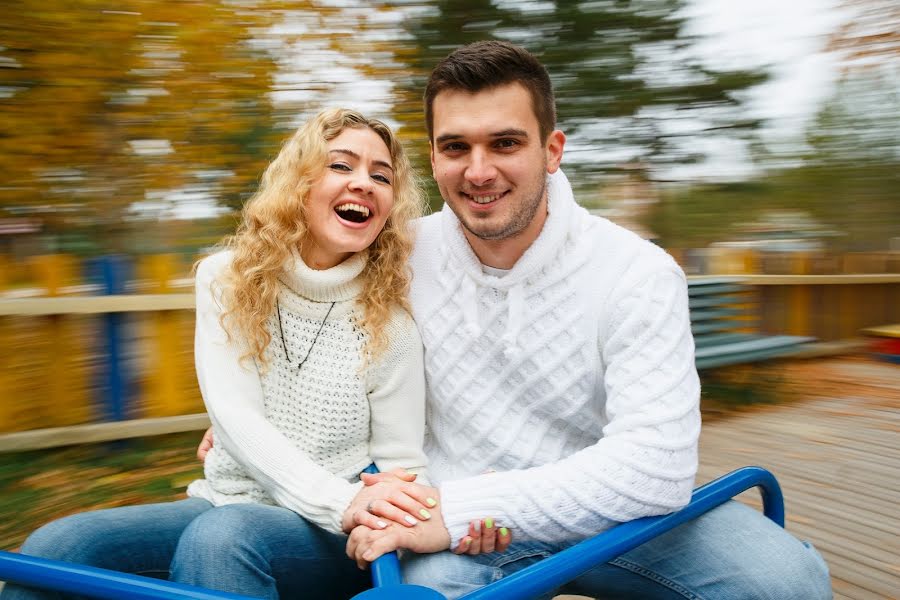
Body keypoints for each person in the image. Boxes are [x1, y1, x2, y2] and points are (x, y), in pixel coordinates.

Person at [338, 41, 832, 599]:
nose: (478, 171)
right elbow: (293, 311)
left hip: (611, 516)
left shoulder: (635, 271)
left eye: (505, 143)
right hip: (464, 531)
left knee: (785, 583)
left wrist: (463, 506)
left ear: (552, 150)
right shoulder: (394, 256)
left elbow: (654, 467)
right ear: (433, 158)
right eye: (456, 147)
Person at [2, 108, 491, 600]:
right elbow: (234, 415)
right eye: (340, 166)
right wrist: (338, 500)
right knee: (56, 545)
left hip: (333, 532)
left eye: (380, 176)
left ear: (389, 205)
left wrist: (373, 512)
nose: (363, 183)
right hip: (231, 501)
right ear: (298, 182)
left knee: (222, 540)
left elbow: (399, 461)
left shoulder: (389, 324)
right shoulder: (227, 279)